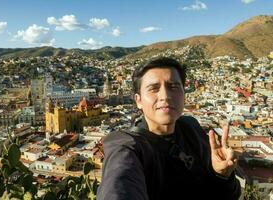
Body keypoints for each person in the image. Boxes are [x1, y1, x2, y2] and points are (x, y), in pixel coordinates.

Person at [97, 57, 241, 200]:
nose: (165, 96)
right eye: (154, 89)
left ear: (184, 94)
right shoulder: (126, 146)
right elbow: (119, 185)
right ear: (138, 100)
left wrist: (222, 175)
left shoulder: (191, 128)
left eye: (173, 87)